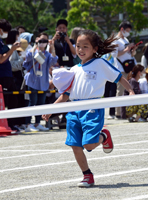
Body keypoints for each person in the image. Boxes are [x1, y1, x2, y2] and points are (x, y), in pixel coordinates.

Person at [42, 30, 134, 187]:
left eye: (85, 46)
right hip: (74, 110)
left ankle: (104, 136)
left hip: (92, 108)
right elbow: (65, 95)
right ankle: (87, 175)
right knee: (75, 145)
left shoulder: (100, 64)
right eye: (78, 46)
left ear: (95, 49)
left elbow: (119, 77)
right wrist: (51, 109)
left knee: (89, 145)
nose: (80, 50)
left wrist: (131, 91)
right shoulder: (74, 70)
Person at [0, 19, 21, 131]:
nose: (6, 34)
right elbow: (0, 59)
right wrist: (12, 49)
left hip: (6, 73)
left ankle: (11, 123)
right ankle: (7, 123)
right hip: (0, 74)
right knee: (6, 100)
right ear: (0, 30)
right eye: (5, 31)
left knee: (13, 99)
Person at [23, 32, 58, 131]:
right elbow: (26, 63)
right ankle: (28, 124)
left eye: (45, 41)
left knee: (41, 103)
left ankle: (38, 123)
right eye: (41, 41)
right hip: (33, 80)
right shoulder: (32, 51)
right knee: (32, 101)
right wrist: (35, 48)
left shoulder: (47, 54)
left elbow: (53, 61)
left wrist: (52, 48)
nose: (43, 43)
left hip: (43, 81)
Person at [111, 21, 137, 119]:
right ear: (121, 29)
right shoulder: (115, 40)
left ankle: (126, 111)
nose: (128, 33)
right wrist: (127, 49)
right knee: (120, 90)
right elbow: (115, 54)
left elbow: (130, 54)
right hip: (120, 67)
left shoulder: (125, 39)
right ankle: (118, 112)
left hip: (128, 66)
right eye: (127, 30)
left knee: (128, 89)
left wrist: (133, 49)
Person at [6, 29, 26, 131]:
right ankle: (14, 123)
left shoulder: (17, 48)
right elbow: (11, 65)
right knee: (15, 101)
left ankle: (20, 122)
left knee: (20, 100)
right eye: (18, 36)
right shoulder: (10, 48)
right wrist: (22, 60)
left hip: (18, 77)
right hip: (14, 77)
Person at [102, 53, 117, 119]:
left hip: (112, 77)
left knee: (112, 95)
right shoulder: (102, 56)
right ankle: (102, 113)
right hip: (104, 77)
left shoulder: (114, 55)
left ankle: (112, 113)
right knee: (105, 95)